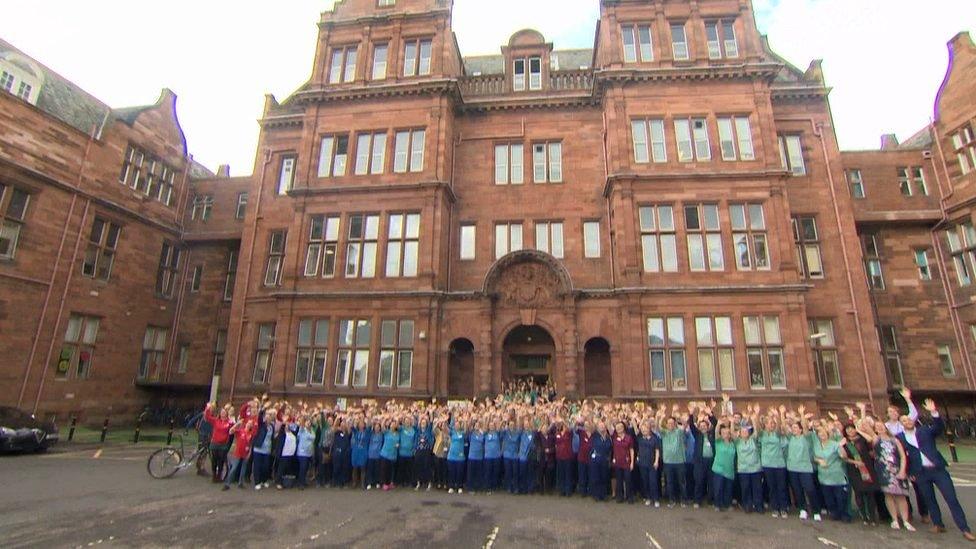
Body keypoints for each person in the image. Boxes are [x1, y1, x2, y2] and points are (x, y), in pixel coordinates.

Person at [897, 397, 975, 541]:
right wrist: (909, 472)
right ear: (901, 425)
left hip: (937, 469)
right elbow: (901, 456)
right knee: (930, 499)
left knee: (951, 498)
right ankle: (938, 524)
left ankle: (964, 528)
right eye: (903, 421)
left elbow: (939, 427)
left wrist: (934, 413)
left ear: (913, 421)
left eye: (908, 419)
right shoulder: (900, 438)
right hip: (920, 473)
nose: (906, 422)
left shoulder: (925, 431)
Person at [859, 418, 914, 531]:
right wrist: (862, 410)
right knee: (888, 495)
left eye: (882, 425)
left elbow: (903, 456)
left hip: (896, 469)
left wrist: (903, 470)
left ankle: (905, 520)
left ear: (886, 427)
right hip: (883, 471)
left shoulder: (895, 440)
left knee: (901, 496)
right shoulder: (876, 439)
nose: (880, 427)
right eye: (877, 426)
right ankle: (894, 519)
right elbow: (865, 425)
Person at [841, 419, 879, 525]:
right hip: (854, 469)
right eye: (847, 429)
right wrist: (854, 461)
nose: (850, 431)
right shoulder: (845, 442)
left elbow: (870, 439)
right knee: (859, 493)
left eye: (852, 428)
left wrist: (859, 430)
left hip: (867, 467)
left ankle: (872, 516)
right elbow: (844, 457)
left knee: (870, 493)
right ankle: (864, 516)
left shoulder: (862, 439)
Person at [786, 410, 822, 521]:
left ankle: (816, 511)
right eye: (793, 428)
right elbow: (783, 425)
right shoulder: (790, 438)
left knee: (810, 489)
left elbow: (806, 428)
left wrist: (801, 415)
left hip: (805, 468)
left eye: (796, 428)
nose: (794, 429)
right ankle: (803, 509)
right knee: (797, 490)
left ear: (801, 429)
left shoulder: (806, 437)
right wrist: (782, 415)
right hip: (792, 468)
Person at [815, 424, 851, 522]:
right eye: (820, 433)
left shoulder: (835, 444)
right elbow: (815, 456)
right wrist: (819, 461)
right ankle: (834, 513)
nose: (822, 434)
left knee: (841, 498)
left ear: (828, 434)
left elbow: (844, 456)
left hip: (836, 475)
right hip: (824, 476)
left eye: (824, 433)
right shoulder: (817, 445)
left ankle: (844, 514)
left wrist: (840, 447)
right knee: (829, 498)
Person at [760, 409, 789, 518]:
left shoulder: (777, 435)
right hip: (767, 464)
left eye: (773, 423)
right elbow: (757, 428)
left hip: (779, 464)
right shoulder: (762, 435)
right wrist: (756, 414)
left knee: (781, 487)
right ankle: (775, 508)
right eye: (769, 423)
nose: (771, 425)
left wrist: (780, 414)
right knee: (772, 487)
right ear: (765, 425)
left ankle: (783, 508)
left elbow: (780, 426)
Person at [733, 408, 763, 514]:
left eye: (746, 431)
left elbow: (757, 431)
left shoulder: (753, 439)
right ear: (740, 433)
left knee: (757, 488)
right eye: (742, 431)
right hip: (743, 469)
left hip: (755, 468)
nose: (744, 433)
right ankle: (747, 505)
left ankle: (759, 506)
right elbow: (732, 432)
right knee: (745, 489)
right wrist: (732, 421)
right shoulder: (738, 442)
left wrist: (754, 420)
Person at [658, 412, 688, 508]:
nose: (670, 425)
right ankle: (672, 500)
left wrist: (680, 418)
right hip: (668, 462)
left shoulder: (679, 432)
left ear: (675, 424)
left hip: (680, 462)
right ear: (666, 424)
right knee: (669, 483)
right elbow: (658, 427)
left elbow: (685, 425)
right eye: (668, 423)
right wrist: (661, 417)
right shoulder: (664, 433)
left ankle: (683, 500)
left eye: (672, 423)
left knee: (681, 482)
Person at [203, 402, 232, 484]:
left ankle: (219, 475)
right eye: (222, 413)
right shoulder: (216, 421)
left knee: (221, 461)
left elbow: (234, 429)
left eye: (224, 413)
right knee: (214, 460)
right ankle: (214, 475)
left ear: (226, 414)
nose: (223, 414)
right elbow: (207, 417)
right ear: (220, 414)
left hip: (223, 445)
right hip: (215, 443)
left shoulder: (229, 422)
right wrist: (208, 408)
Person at [223, 417, 255, 491]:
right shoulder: (240, 431)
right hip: (238, 452)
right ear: (246, 424)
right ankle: (227, 483)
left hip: (245, 453)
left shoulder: (251, 434)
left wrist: (249, 453)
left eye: (251, 424)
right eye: (249, 423)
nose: (249, 425)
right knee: (234, 468)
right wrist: (237, 424)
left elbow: (250, 445)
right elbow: (230, 431)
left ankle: (241, 483)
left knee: (243, 469)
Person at [711, 424, 736, 511]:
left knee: (728, 489)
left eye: (727, 433)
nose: (725, 434)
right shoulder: (718, 442)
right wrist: (718, 424)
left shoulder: (733, 444)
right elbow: (716, 433)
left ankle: (727, 504)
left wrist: (731, 423)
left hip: (729, 470)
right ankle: (717, 505)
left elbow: (734, 434)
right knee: (718, 488)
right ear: (721, 434)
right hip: (719, 469)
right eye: (723, 433)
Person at [636, 420, 661, 507]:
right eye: (642, 430)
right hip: (642, 463)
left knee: (653, 482)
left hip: (652, 463)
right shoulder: (640, 439)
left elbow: (657, 450)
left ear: (649, 429)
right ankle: (648, 498)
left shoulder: (655, 439)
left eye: (645, 429)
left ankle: (656, 499)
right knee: (645, 481)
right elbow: (636, 429)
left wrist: (656, 461)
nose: (644, 431)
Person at [251, 406, 276, 490]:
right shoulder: (261, 425)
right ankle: (257, 482)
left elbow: (272, 438)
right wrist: (262, 409)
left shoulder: (271, 427)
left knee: (266, 466)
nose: (268, 419)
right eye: (266, 418)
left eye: (269, 418)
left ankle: (264, 480)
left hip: (267, 450)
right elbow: (259, 418)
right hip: (258, 449)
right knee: (257, 466)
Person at [611, 421, 635, 504]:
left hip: (627, 462)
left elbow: (632, 450)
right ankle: (620, 496)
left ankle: (629, 497)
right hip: (617, 462)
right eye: (617, 427)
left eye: (620, 427)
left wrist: (632, 462)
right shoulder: (614, 437)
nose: (618, 429)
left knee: (628, 480)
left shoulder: (629, 438)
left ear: (624, 428)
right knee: (619, 480)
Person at [589, 421, 612, 501]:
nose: (602, 427)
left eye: (603, 426)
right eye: (600, 426)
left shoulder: (608, 437)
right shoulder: (595, 435)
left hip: (604, 459)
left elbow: (610, 450)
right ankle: (596, 494)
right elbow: (591, 427)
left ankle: (603, 494)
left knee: (604, 477)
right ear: (597, 428)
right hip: (596, 459)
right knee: (596, 477)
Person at [554, 419, 575, 497]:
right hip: (559, 456)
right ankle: (561, 490)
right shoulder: (558, 433)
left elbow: (570, 428)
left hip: (568, 456)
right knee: (561, 474)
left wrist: (564, 421)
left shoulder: (569, 433)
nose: (563, 426)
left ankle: (568, 490)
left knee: (568, 474)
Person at [516, 418, 536, 495]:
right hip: (522, 456)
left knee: (530, 473)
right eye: (525, 425)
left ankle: (530, 489)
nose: (526, 426)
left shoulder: (532, 433)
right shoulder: (521, 433)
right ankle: (522, 488)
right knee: (522, 473)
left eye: (528, 424)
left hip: (530, 456)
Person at [415, 416, 435, 491]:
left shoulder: (429, 431)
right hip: (419, 450)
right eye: (422, 423)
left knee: (427, 467)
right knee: (418, 466)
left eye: (424, 423)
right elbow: (415, 440)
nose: (423, 424)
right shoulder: (418, 431)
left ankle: (429, 483)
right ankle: (419, 482)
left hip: (426, 451)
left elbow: (431, 440)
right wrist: (415, 448)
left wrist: (430, 415)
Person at [379, 420, 399, 491]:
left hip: (393, 454)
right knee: (384, 469)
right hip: (385, 454)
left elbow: (398, 442)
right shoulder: (387, 432)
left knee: (391, 470)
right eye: (392, 424)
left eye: (394, 425)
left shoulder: (397, 434)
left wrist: (397, 445)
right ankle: (384, 483)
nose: (393, 426)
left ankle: (389, 483)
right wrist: (384, 419)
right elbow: (382, 427)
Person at [296, 418, 316, 489]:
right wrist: (303, 418)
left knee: (306, 468)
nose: (308, 424)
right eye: (307, 422)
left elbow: (313, 440)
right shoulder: (302, 430)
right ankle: (300, 483)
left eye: (309, 423)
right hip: (302, 453)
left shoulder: (312, 431)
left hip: (309, 453)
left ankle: (304, 481)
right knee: (302, 468)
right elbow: (301, 425)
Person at [350, 418, 370, 489]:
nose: (361, 425)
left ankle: (362, 483)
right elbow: (351, 426)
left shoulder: (367, 432)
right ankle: (354, 483)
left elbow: (369, 425)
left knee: (363, 468)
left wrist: (368, 418)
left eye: (362, 424)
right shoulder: (356, 432)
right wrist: (353, 418)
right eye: (360, 424)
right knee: (354, 468)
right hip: (356, 451)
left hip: (363, 451)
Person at [483, 420, 502, 493]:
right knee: (488, 472)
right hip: (488, 456)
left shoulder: (497, 433)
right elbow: (484, 427)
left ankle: (494, 487)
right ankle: (488, 487)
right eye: (490, 425)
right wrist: (488, 418)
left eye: (492, 425)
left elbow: (499, 428)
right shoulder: (486, 433)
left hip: (496, 456)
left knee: (495, 472)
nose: (491, 427)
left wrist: (501, 421)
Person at [575, 420, 593, 498]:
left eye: (588, 425)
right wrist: (576, 421)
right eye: (585, 425)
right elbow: (574, 428)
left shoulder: (594, 434)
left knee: (591, 474)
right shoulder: (581, 432)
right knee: (582, 475)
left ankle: (590, 490)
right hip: (582, 457)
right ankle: (583, 491)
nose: (586, 426)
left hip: (590, 458)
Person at [467, 420, 486, 492]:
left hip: (479, 456)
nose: (477, 426)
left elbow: (483, 441)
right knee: (471, 473)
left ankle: (478, 487)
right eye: (476, 425)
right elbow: (468, 428)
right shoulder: (471, 433)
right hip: (472, 456)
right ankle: (470, 488)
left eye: (478, 425)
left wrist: (482, 432)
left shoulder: (482, 434)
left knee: (478, 473)